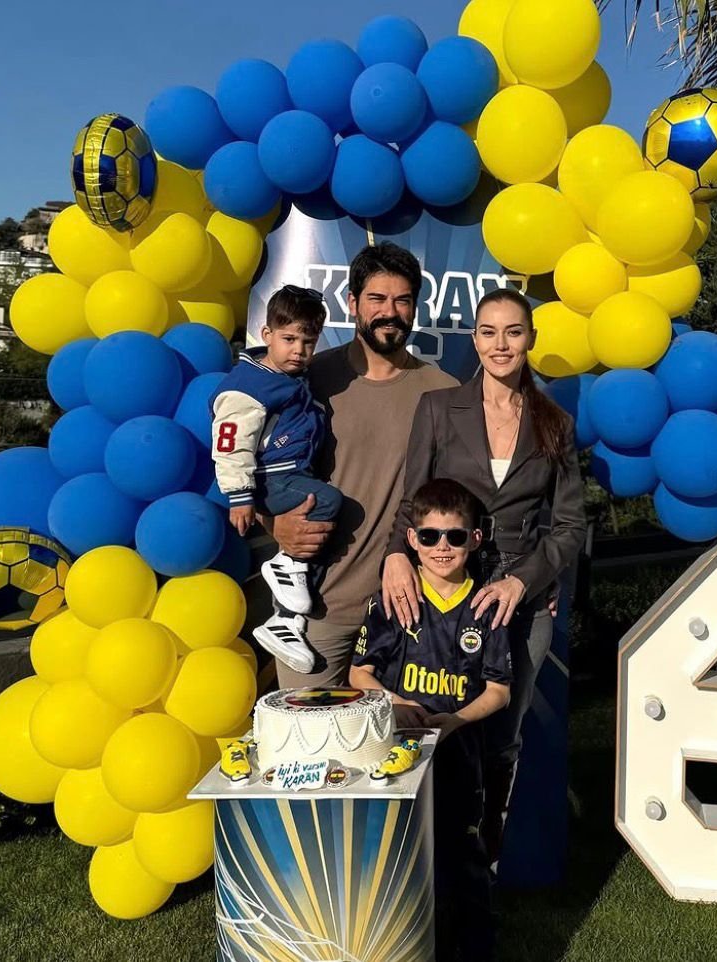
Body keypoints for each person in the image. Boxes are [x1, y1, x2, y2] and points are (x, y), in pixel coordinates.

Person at [381, 286, 587, 866]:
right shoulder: (439, 409)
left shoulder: (554, 422)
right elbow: (411, 500)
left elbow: (570, 525)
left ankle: (483, 858)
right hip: (443, 593)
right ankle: (415, 854)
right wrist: (397, 554)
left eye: (513, 332)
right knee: (425, 717)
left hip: (521, 602)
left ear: (530, 340)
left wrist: (525, 582)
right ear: (474, 339)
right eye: (489, 332)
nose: (501, 344)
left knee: (502, 730)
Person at [264, 242, 456, 688]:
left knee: (401, 753)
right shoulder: (306, 380)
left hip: (408, 613)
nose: (390, 312)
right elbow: (250, 469)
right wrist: (272, 524)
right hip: (315, 613)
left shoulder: (444, 393)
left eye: (402, 300)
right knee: (308, 746)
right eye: (377, 299)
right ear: (352, 304)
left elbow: (463, 499)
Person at [350, 477, 511, 962]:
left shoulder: (487, 608)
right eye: (430, 536)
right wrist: (397, 703)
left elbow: (500, 692)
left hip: (460, 755)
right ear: (412, 540)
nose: (443, 548)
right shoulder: (391, 601)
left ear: (475, 539)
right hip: (396, 761)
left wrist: (454, 721)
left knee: (463, 855)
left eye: (455, 537)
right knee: (397, 855)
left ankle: (475, 946)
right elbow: (359, 674)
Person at [212, 285, 342, 673]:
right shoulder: (248, 386)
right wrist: (240, 496)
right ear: (266, 335)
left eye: (308, 341)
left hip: (290, 472)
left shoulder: (293, 379)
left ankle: (287, 622)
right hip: (269, 478)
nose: (298, 350)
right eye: (288, 339)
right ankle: (285, 564)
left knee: (317, 543)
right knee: (328, 501)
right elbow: (231, 445)